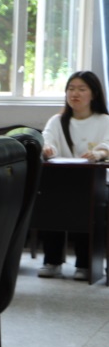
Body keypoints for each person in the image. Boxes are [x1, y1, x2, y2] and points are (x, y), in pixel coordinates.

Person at [38, 70, 109, 279]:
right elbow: (46, 139)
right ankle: (52, 261)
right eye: (71, 89)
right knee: (51, 199)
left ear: (94, 94)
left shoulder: (104, 120)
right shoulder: (57, 121)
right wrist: (47, 148)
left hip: (94, 182)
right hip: (62, 180)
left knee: (86, 203)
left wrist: (99, 153)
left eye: (81, 89)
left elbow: (107, 145)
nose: (74, 94)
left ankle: (85, 264)